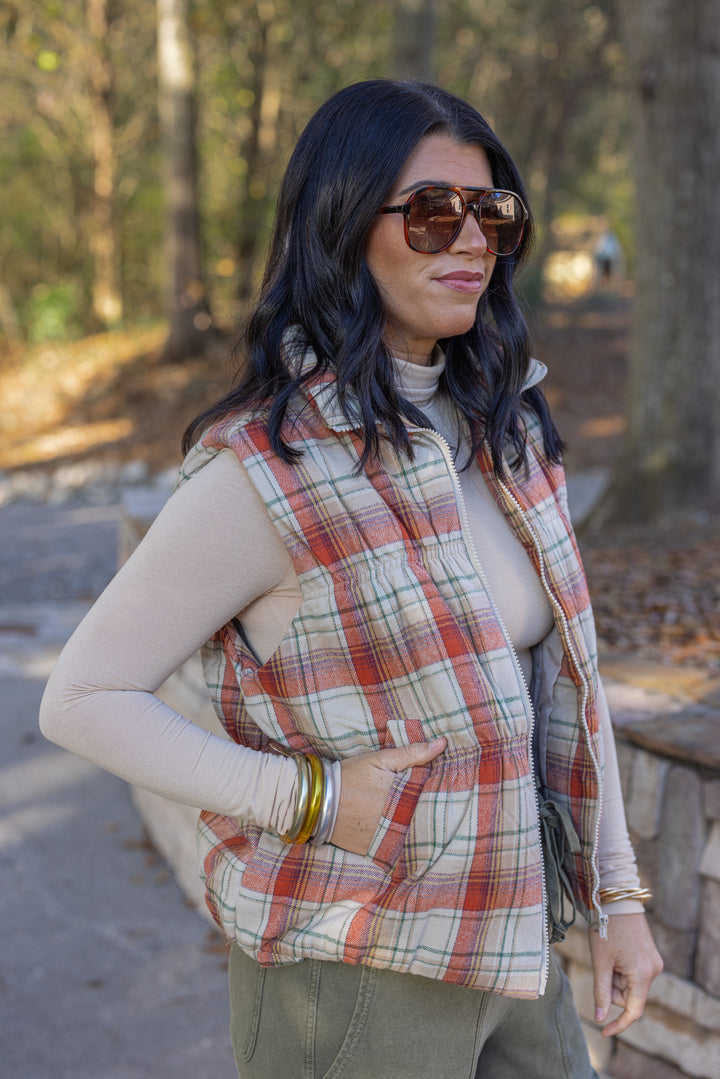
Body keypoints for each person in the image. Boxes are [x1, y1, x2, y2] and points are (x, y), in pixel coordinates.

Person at [40, 79, 662, 1078]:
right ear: (342, 226)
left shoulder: (508, 431)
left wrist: (621, 900)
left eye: (492, 214)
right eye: (430, 213)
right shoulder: (265, 470)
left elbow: (569, 689)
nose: (468, 240)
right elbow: (81, 696)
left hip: (516, 947)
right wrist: (311, 796)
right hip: (355, 971)